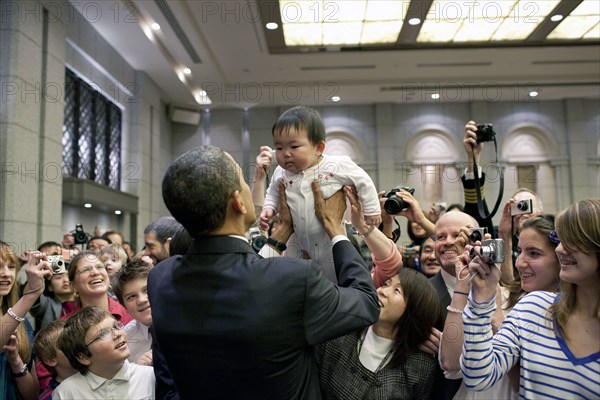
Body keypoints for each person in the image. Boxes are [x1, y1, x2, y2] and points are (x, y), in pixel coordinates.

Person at [149, 145, 380, 399]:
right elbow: (367, 303)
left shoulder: (161, 279)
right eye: (243, 181)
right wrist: (337, 230)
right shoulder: (294, 278)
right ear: (238, 201)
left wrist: (279, 236)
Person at [461, 199, 600, 399]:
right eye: (560, 240)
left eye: (573, 241)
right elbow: (477, 376)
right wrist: (481, 302)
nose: (561, 249)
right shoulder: (533, 307)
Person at [259, 106, 381, 282]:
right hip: (295, 239)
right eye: (279, 147)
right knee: (293, 276)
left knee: (333, 278)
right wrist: (268, 208)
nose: (285, 154)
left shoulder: (336, 165)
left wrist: (371, 210)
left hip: (327, 239)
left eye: (294, 146)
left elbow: (363, 180)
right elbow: (272, 192)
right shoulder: (280, 172)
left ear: (319, 147)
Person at [316, 268, 440, 399]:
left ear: (415, 309)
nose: (382, 291)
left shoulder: (421, 366)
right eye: (386, 284)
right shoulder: (338, 332)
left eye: (397, 290)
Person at [36, 250, 133, 392]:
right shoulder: (63, 328)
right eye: (86, 270)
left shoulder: (131, 314)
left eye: (100, 267)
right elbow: (44, 377)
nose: (95, 272)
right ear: (73, 285)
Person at [54, 306, 154, 399]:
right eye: (103, 334)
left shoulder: (149, 376)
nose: (117, 334)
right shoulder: (65, 393)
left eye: (116, 326)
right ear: (83, 357)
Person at [1, 241, 51, 400]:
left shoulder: (22, 322)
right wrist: (31, 294)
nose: (6, 274)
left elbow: (32, 394)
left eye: (11, 267)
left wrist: (16, 361)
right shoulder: (18, 315)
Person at [112, 259, 153, 365]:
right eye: (131, 297)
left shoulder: (187, 324)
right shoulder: (124, 341)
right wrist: (137, 370)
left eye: (147, 290)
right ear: (124, 306)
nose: (142, 300)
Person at [33, 320, 77, 400]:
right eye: (68, 343)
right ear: (51, 360)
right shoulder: (51, 397)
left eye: (76, 340)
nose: (77, 346)